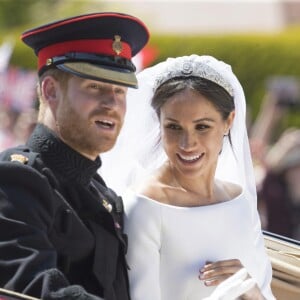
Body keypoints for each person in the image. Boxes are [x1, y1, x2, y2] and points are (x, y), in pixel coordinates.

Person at [0, 12, 149, 300]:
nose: (112, 104)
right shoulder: (14, 181)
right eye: (95, 87)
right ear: (50, 90)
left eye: (120, 91)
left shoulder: (102, 194)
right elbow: (34, 290)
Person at [100, 55, 275, 299]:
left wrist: (253, 293)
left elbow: (262, 290)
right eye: (173, 127)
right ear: (159, 124)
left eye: (202, 127)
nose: (187, 144)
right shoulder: (144, 205)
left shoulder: (239, 201)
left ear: (228, 122)